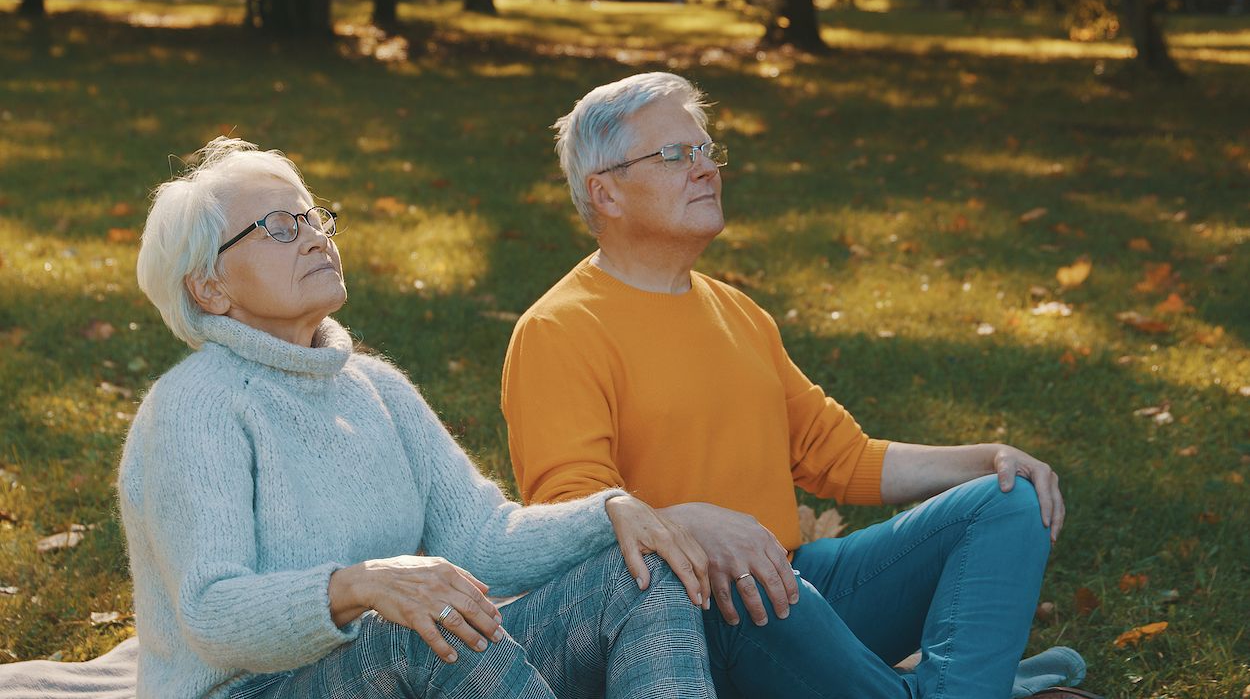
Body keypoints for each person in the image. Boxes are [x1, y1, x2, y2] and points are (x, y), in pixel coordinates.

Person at [501, 72, 1101, 699]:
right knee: (756, 589)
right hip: (699, 614)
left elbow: (838, 457)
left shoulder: (737, 312)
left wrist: (985, 459)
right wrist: (690, 524)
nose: (705, 169)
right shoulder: (560, 329)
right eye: (675, 154)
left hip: (794, 585)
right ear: (607, 194)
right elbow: (567, 521)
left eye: (706, 150)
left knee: (1007, 502)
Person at [115, 136, 717, 699]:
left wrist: (610, 513)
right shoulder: (195, 406)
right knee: (432, 628)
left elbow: (481, 540)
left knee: (640, 573)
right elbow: (212, 612)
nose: (314, 238)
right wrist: (362, 585)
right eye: (277, 228)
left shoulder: (376, 388)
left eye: (313, 218)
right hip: (245, 689)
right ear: (209, 289)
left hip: (395, 660)